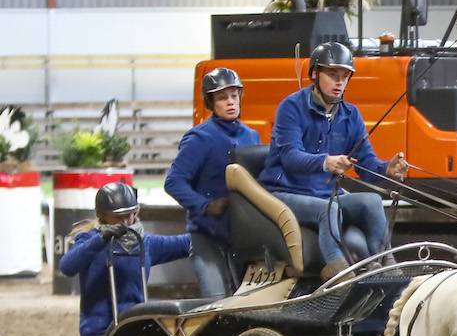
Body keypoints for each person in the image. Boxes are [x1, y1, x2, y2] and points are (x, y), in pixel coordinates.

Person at [258, 42, 406, 281]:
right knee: (330, 209)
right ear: (315, 74)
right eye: (333, 75)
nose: (340, 82)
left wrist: (386, 169)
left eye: (345, 77)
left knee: (372, 201)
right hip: (284, 191)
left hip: (324, 192)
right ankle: (338, 271)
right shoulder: (291, 107)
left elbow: (365, 162)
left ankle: (382, 264)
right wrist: (325, 162)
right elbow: (289, 157)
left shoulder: (351, 115)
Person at [60, 183, 191, 336]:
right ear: (102, 216)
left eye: (129, 215)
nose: (125, 222)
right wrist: (101, 239)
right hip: (99, 333)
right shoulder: (89, 240)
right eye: (118, 217)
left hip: (135, 327)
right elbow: (67, 266)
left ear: (136, 212)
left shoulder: (146, 243)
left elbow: (186, 243)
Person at [164, 67, 260, 297]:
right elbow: (174, 181)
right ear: (210, 102)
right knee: (216, 301)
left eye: (234, 96)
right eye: (222, 97)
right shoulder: (199, 138)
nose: (230, 102)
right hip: (206, 235)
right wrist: (205, 205)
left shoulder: (251, 136)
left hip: (243, 235)